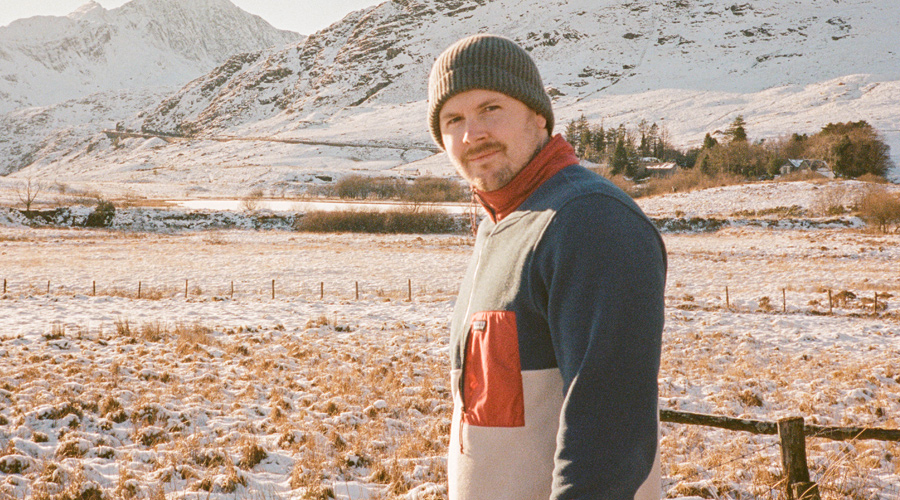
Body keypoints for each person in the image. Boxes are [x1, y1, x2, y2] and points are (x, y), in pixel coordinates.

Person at [427, 34, 667, 500]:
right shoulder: (503, 225)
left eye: (490, 108)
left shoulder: (588, 220)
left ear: (538, 114)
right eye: (453, 119)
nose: (471, 134)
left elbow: (609, 434)